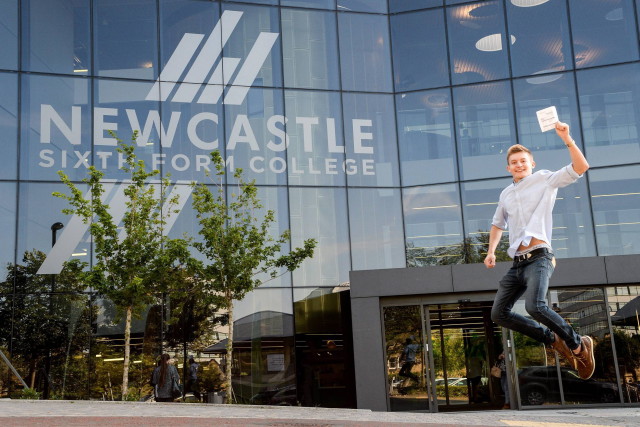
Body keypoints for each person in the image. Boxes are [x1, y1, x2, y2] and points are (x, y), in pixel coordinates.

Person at [484, 121, 595, 380]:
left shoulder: (544, 179)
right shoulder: (506, 194)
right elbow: (497, 223)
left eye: (523, 161)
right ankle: (553, 339)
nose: (519, 165)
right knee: (499, 313)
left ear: (531, 163)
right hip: (517, 264)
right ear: (508, 168)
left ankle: (578, 345)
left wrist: (567, 139)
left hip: (540, 257)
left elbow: (581, 167)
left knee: (536, 306)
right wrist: (491, 251)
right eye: (514, 162)